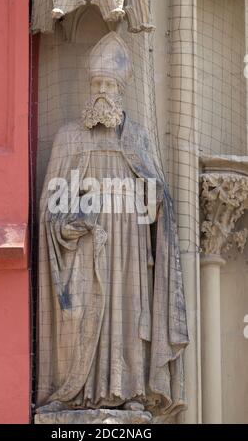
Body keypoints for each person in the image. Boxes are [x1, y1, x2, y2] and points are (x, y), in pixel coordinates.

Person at [37, 32, 189, 416]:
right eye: (97, 83)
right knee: (82, 314)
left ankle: (129, 389)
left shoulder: (137, 137)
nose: (102, 90)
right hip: (85, 249)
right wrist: (72, 224)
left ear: (121, 90)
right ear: (89, 87)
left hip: (130, 249)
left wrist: (154, 201)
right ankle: (74, 391)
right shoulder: (69, 137)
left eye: (109, 83)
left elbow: (157, 201)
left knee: (128, 311)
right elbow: (49, 211)